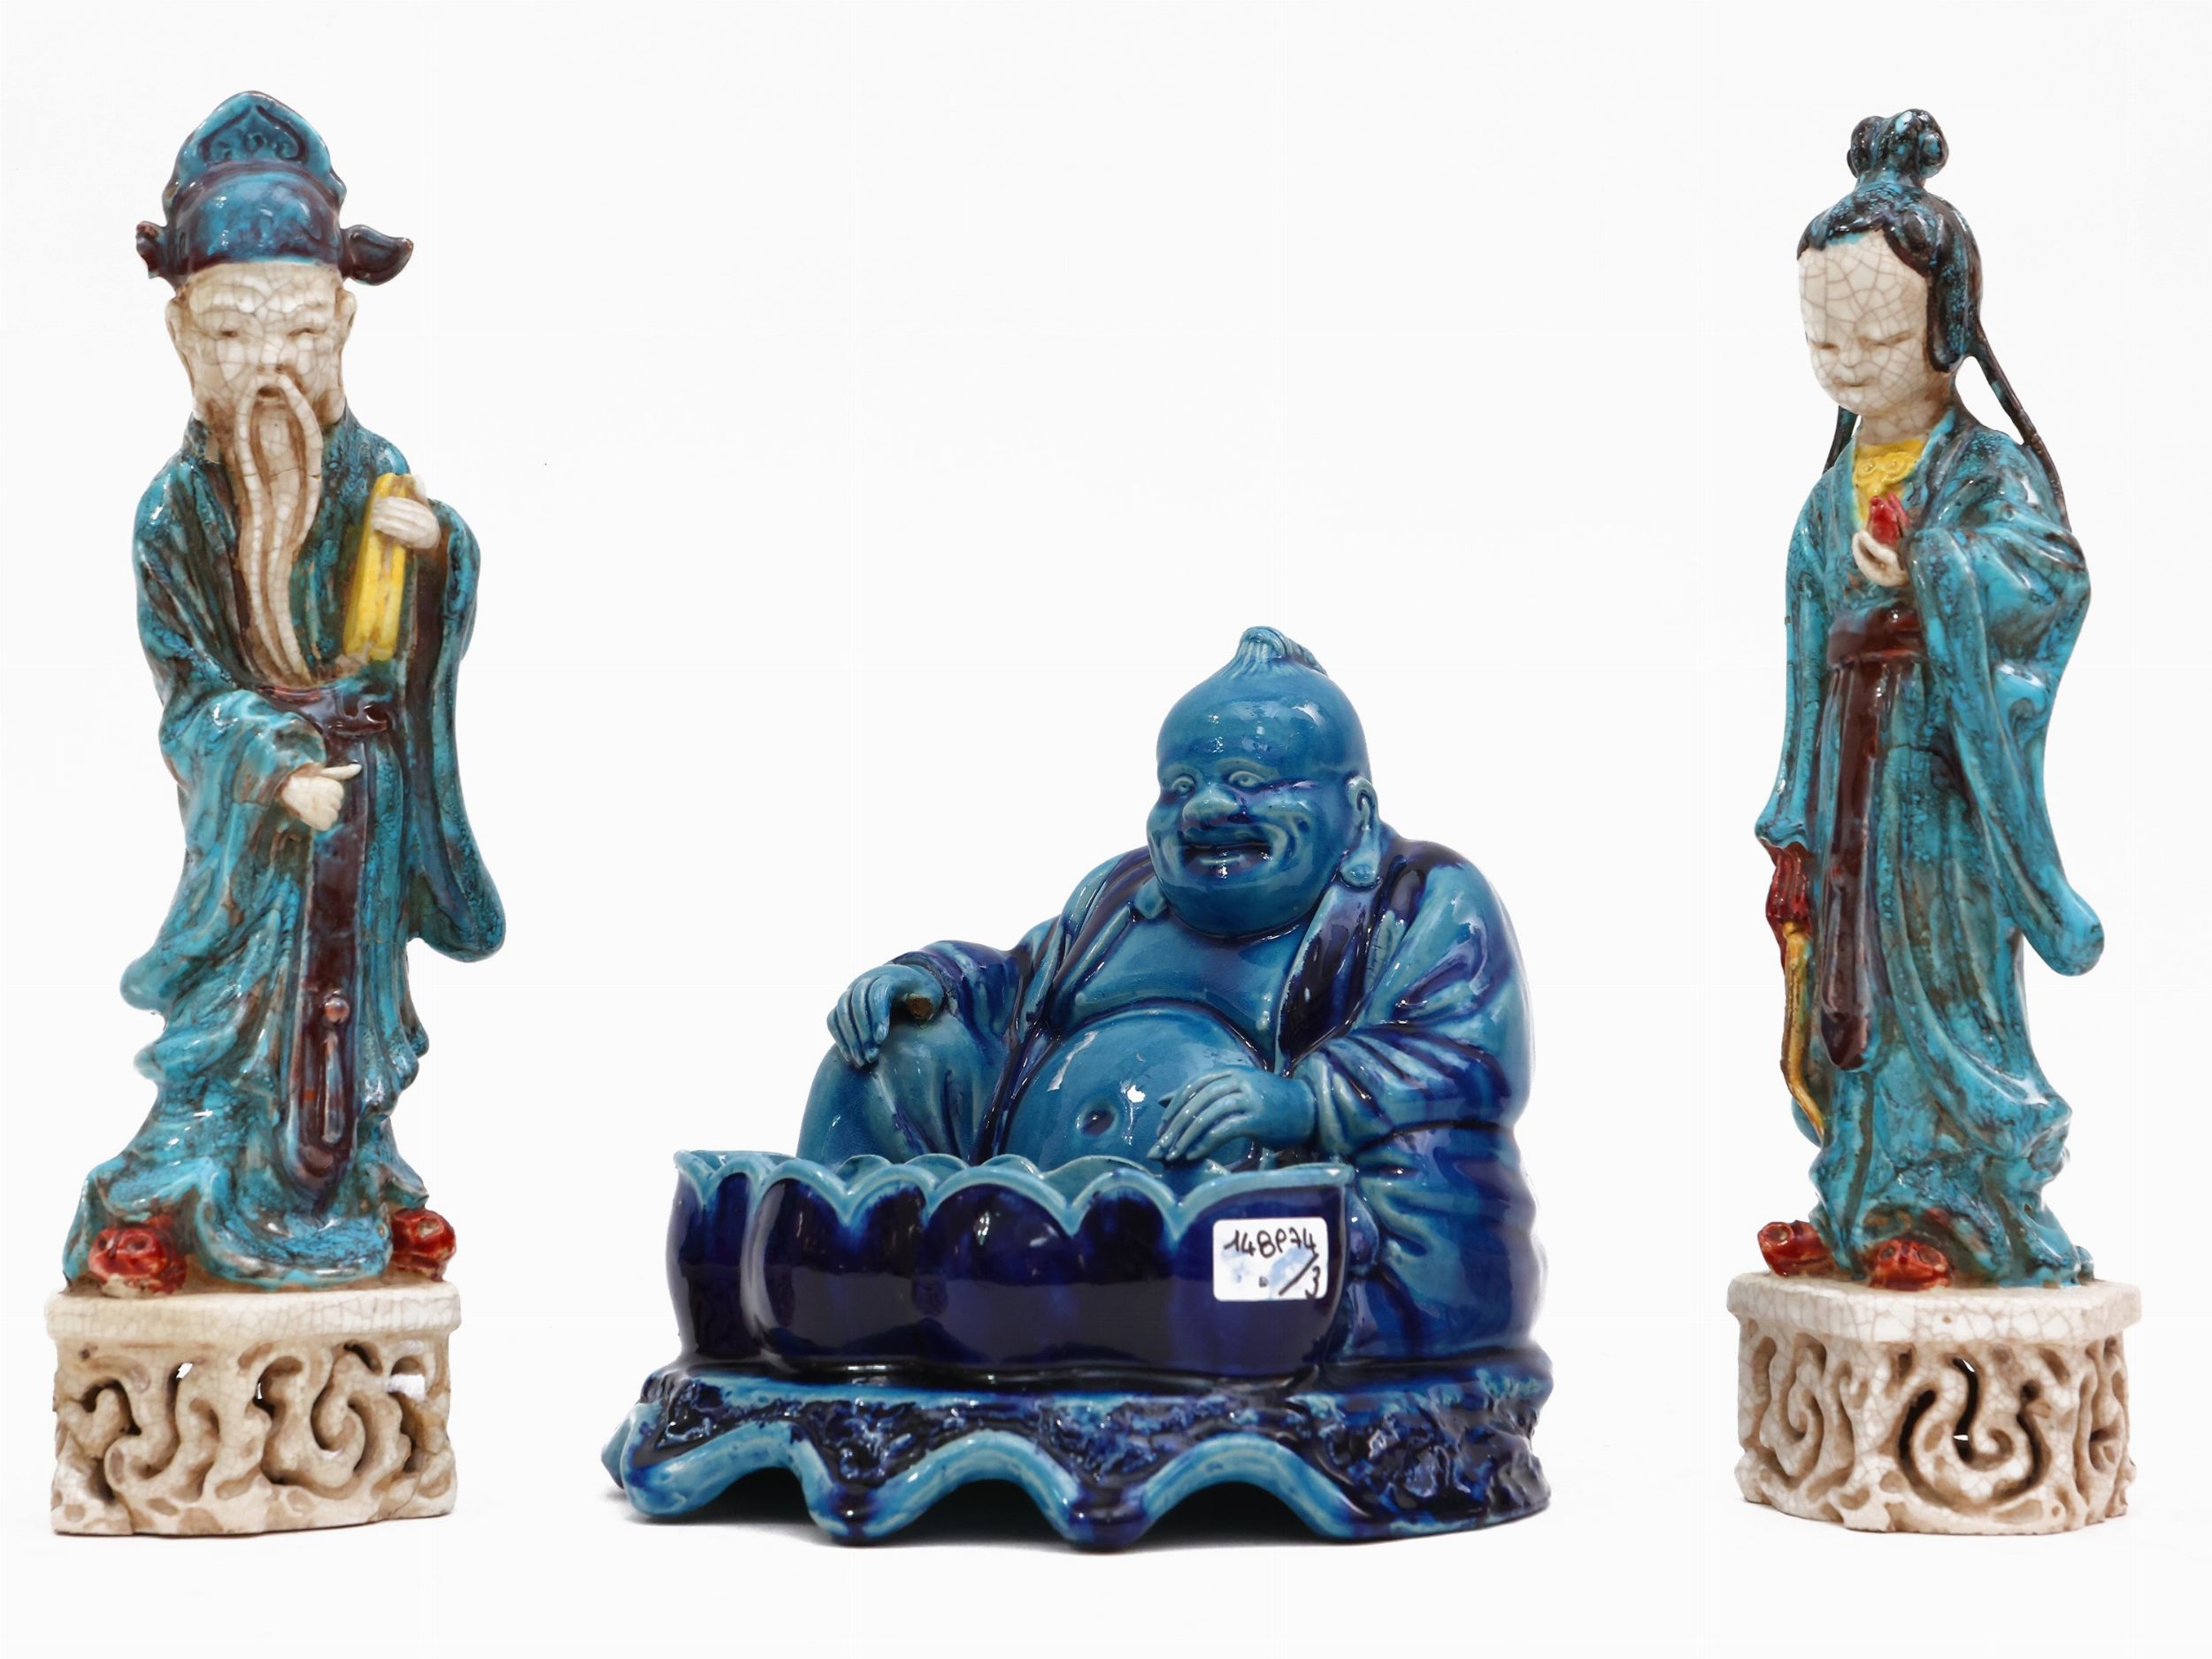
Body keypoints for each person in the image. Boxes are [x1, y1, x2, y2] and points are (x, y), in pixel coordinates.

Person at [800, 626, 1539, 1362]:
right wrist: (931, 981)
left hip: (1261, 1235)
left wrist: (1305, 1100)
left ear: (1360, 811)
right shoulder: (1120, 893)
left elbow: (1465, 1050)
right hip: (1034, 1209)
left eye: (1249, 781)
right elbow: (1021, 979)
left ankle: (1078, 1319)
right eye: (1179, 787)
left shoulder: (1422, 898)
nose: (1205, 809)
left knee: (1341, 1220)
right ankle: (843, 1271)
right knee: (889, 1056)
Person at [65, 94, 503, 1291]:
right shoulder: (177, 511)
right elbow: (188, 692)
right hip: (261, 821)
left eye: (303, 333)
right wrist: (272, 764)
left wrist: (440, 557)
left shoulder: (376, 475)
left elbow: (418, 634)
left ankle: (359, 1176)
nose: (272, 364)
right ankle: (178, 1197)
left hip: (372, 796)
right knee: (238, 1029)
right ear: (183, 337)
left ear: (344, 323)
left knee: (356, 1021)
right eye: (235, 332)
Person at [1757, 111, 2100, 1290]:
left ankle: (1966, 1209)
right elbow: (1804, 669)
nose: (1846, 358)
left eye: (1873, 332)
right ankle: (1856, 1198)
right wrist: (1792, 820)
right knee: (1842, 995)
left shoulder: (1989, 473)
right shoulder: (1822, 508)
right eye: (1822, 336)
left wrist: (1937, 569)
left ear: (1946, 323)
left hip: (1940, 784)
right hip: (1845, 781)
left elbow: (2053, 580)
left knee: (1941, 997)